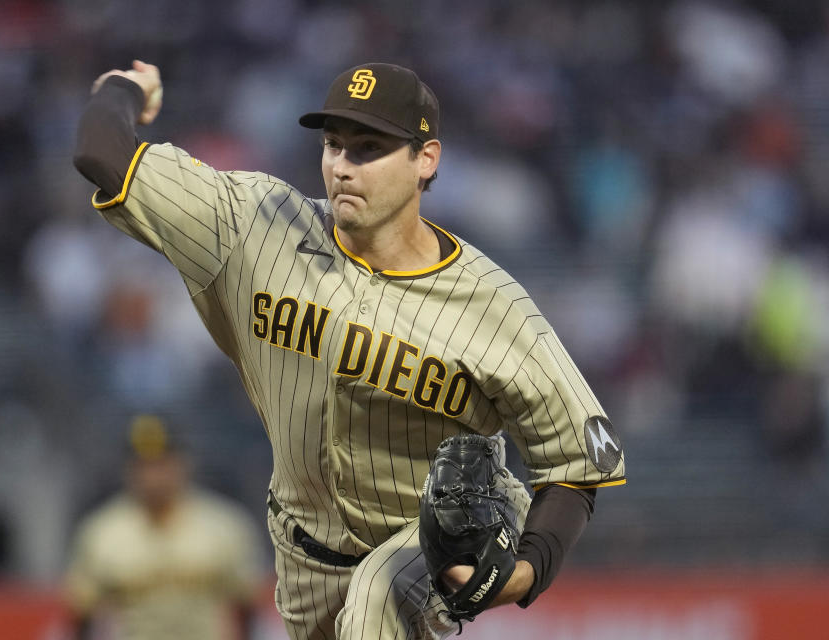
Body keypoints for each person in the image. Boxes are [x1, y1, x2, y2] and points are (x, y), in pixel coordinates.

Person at [73, 60, 626, 639]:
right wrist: (126, 87)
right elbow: (101, 153)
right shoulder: (253, 227)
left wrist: (527, 571)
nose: (341, 167)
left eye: (368, 149)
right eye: (333, 145)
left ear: (425, 160)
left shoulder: (492, 306)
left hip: (433, 537)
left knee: (372, 602)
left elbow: (579, 460)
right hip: (303, 552)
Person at [63, 414, 264, 640]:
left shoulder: (223, 526)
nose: (153, 476)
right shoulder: (102, 532)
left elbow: (247, 609)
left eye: (162, 463)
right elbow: (83, 616)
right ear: (129, 469)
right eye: (144, 465)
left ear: (183, 463)